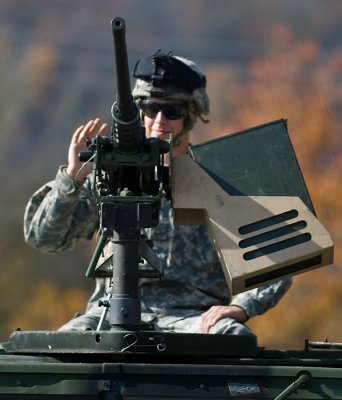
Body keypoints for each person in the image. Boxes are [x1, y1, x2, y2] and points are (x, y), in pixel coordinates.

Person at [24, 51, 292, 336]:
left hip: (192, 318)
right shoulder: (112, 177)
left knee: (233, 338)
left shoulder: (217, 184)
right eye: (151, 109)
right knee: (59, 349)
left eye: (172, 111)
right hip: (110, 314)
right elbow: (44, 237)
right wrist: (72, 179)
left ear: (193, 115)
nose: (159, 120)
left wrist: (241, 307)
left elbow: (278, 257)